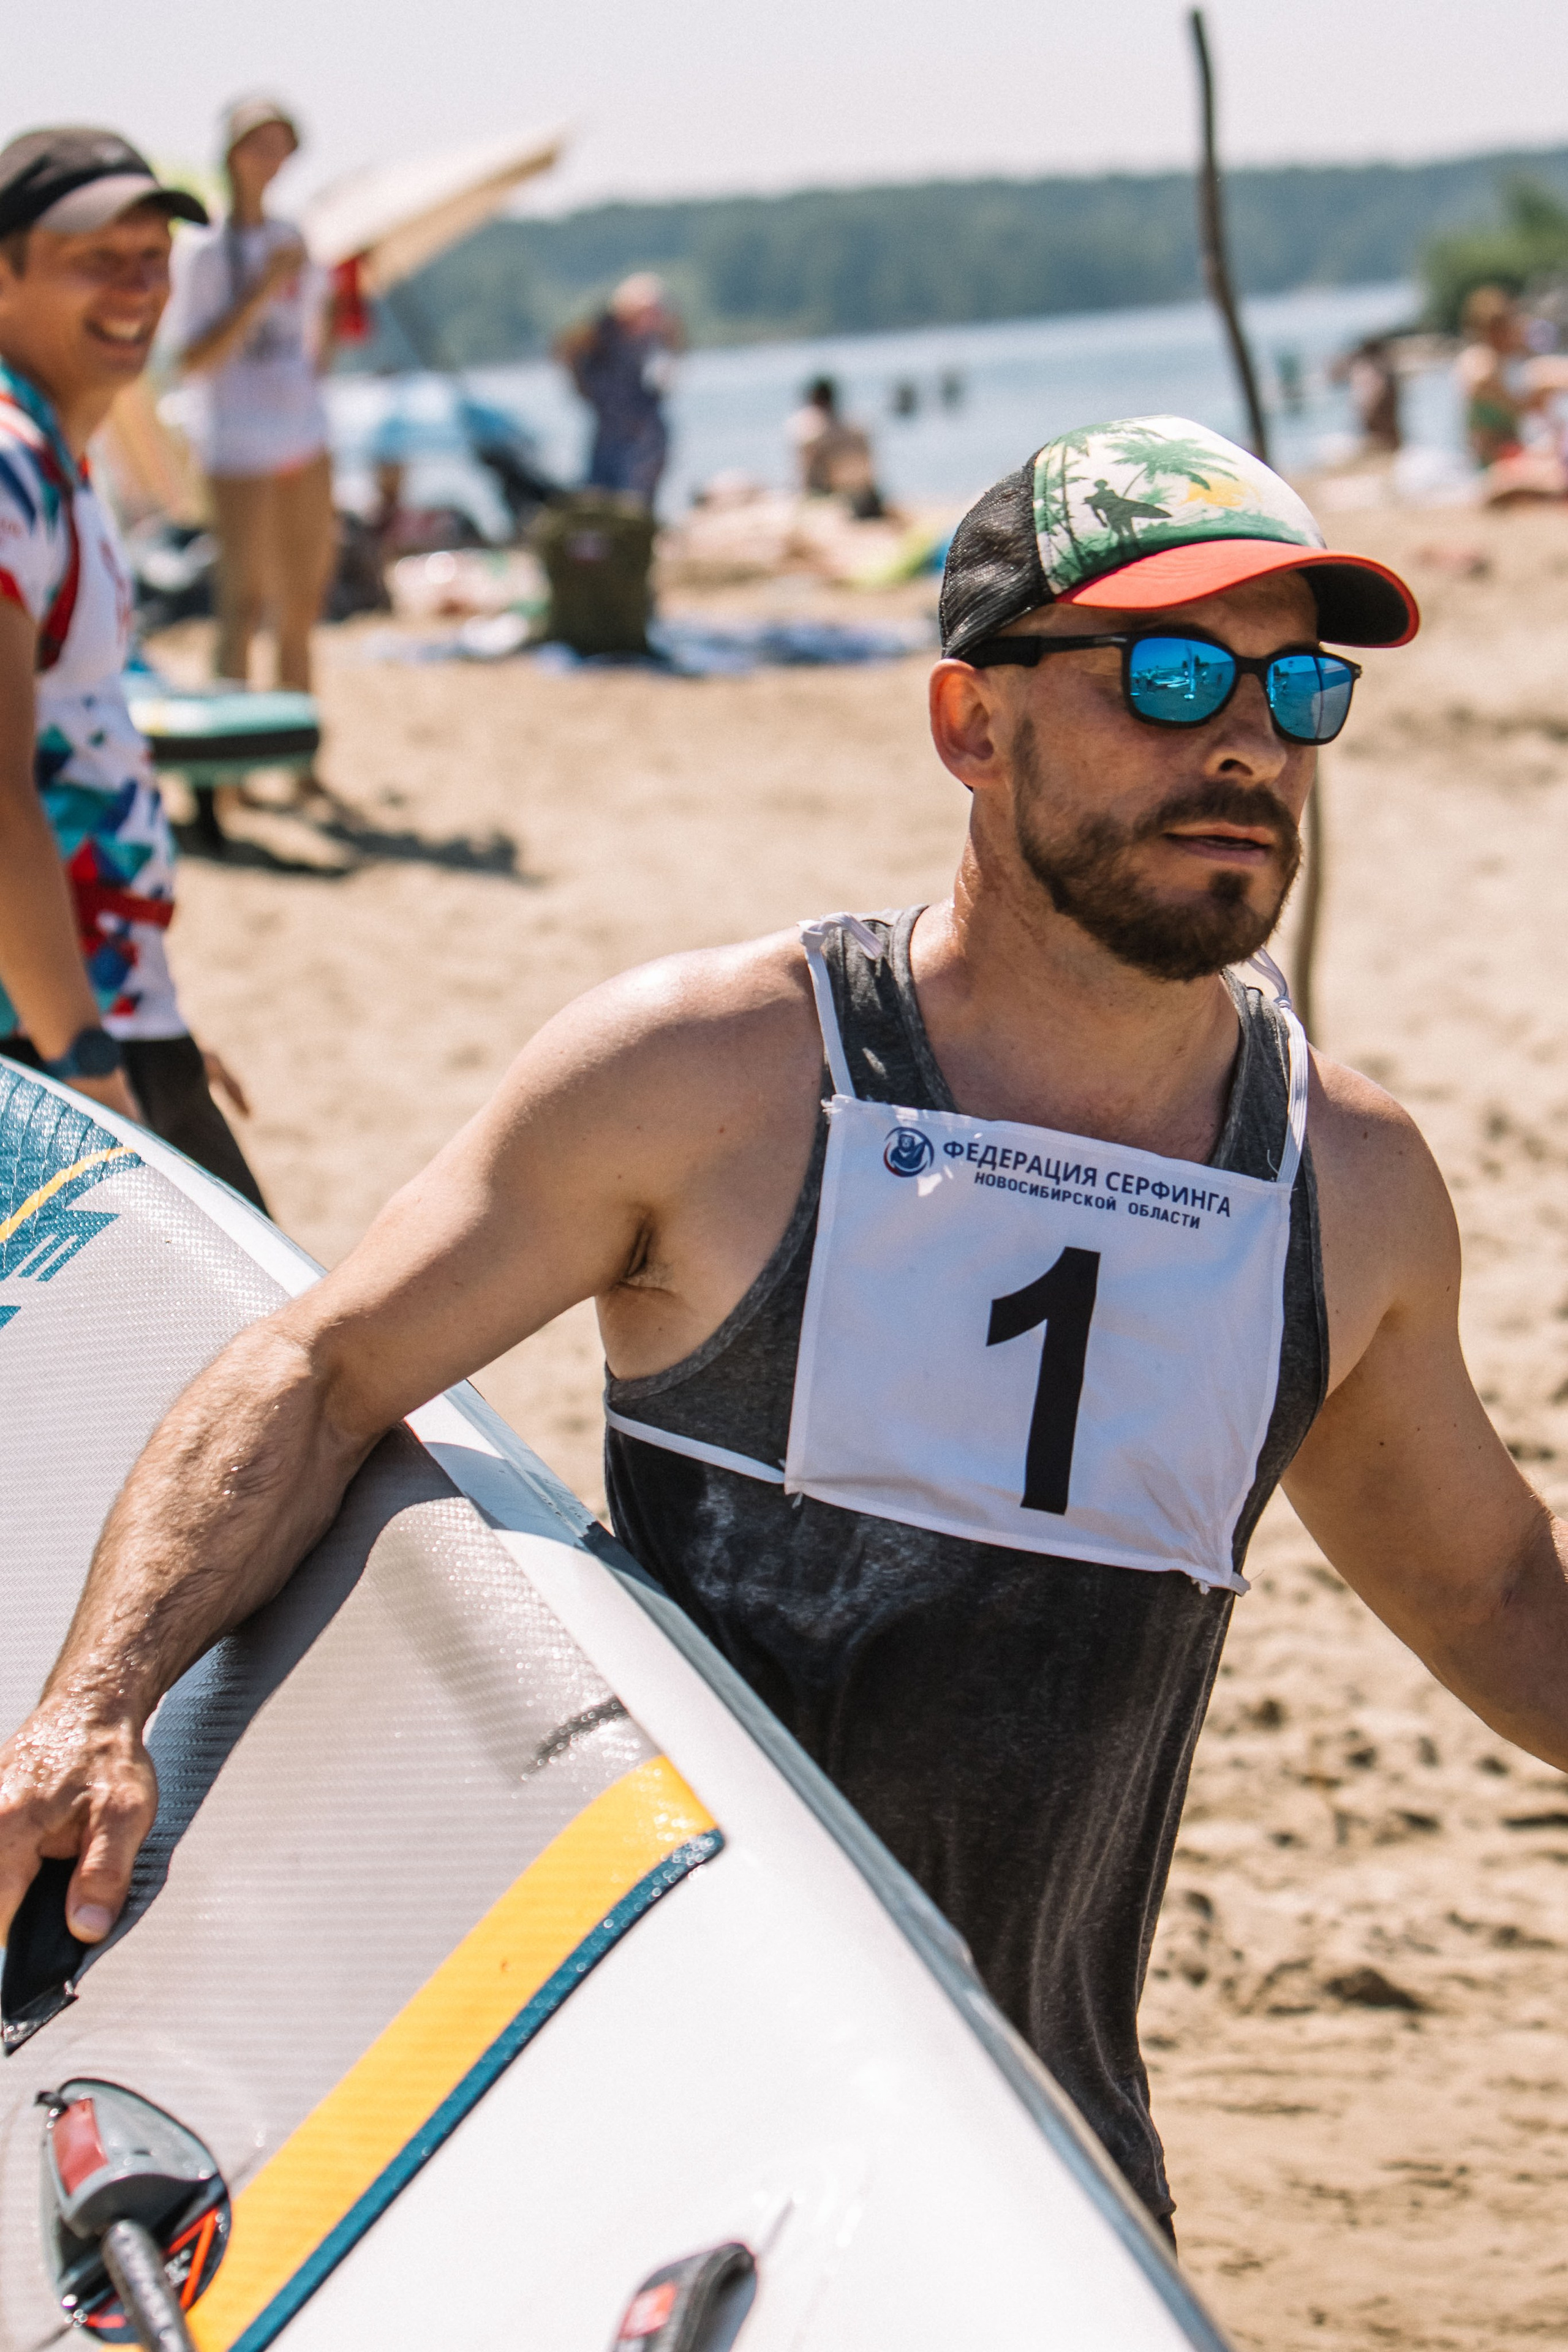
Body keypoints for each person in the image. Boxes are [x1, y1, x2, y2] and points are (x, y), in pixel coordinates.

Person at [8, 417, 1568, 2245]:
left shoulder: (1343, 1180)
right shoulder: (715, 1073)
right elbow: (316, 1365)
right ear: (969, 726)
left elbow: (1484, 1596)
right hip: (659, 2145)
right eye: (1165, 671)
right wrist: (92, 1706)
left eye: (1297, 685)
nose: (1242, 738)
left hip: (1048, 2164)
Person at [0, 126, 263, 1204]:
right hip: (43, 1043)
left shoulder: (56, 458)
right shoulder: (10, 467)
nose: (136, 286)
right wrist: (83, 1060)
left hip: (96, 1005)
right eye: (92, 259)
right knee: (272, 1353)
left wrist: (150, 1018)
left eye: (152, 258)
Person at [165, 97, 337, 693]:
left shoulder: (294, 235)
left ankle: (298, 748)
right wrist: (262, 288)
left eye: (279, 144)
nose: (270, 158)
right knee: (241, 603)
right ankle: (230, 769)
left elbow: (311, 341)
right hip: (235, 440)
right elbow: (190, 360)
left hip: (304, 434)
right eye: (258, 144)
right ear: (232, 153)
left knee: (302, 604)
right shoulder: (205, 248)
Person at [554, 272, 682, 510]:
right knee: (599, 501)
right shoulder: (598, 335)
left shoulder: (654, 341)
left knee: (634, 504)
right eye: (649, 312)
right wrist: (584, 392)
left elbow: (663, 382)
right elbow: (566, 352)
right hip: (610, 432)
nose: (654, 318)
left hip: (641, 434)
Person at [786, 374, 884, 516]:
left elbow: (805, 474)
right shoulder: (858, 427)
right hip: (868, 498)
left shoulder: (810, 432)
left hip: (834, 500)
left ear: (813, 400)